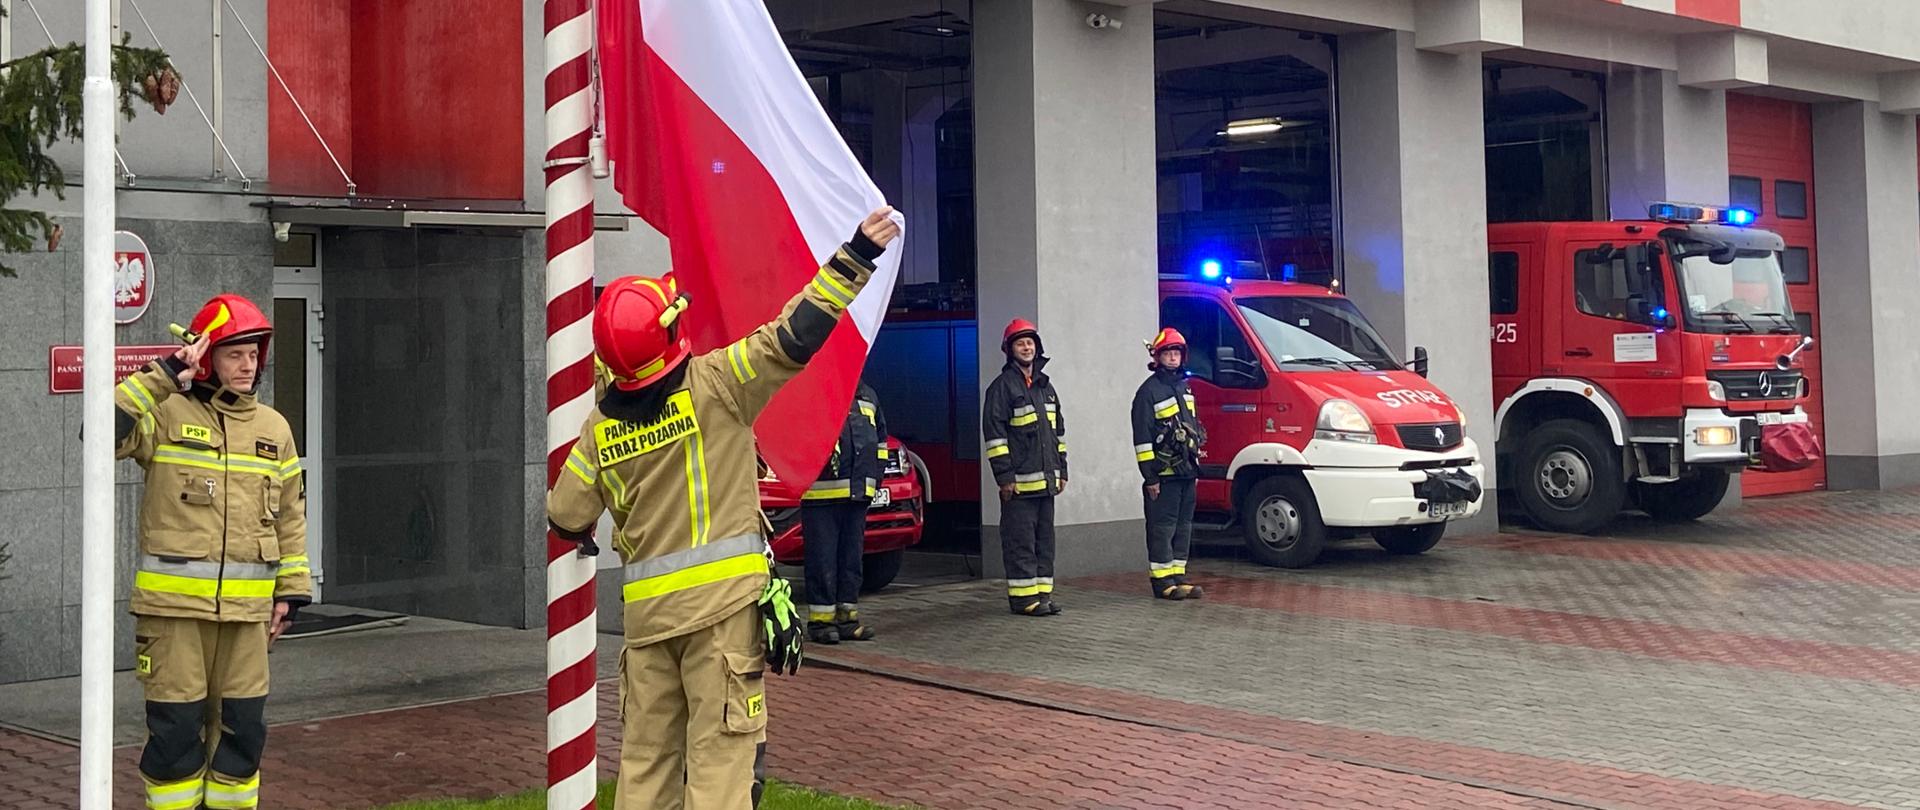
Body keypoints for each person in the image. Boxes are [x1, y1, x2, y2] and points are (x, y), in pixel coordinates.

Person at [548, 207, 901, 809]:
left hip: (648, 630)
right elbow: (795, 334)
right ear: (668, 337)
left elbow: (564, 515)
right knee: (720, 770)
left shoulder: (597, 429)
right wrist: (856, 256)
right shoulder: (717, 384)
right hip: (723, 623)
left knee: (646, 770)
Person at [112, 294, 310, 810]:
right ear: (206, 358)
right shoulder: (166, 413)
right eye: (233, 354)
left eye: (253, 355)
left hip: (248, 618)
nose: (247, 366)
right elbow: (100, 432)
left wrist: (289, 594)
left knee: (242, 735)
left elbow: (291, 517)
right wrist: (164, 374)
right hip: (174, 616)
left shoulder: (274, 429)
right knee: (176, 736)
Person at [982, 319, 1069, 616]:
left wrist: (1062, 472)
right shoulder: (1001, 388)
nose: (1027, 347)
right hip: (1018, 486)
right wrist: (1005, 478)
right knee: (1021, 543)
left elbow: (1058, 434)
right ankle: (1023, 599)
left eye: (1030, 342)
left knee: (1045, 543)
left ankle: (1042, 595)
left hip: (1046, 484)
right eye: (1020, 343)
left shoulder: (1046, 387)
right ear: (1010, 350)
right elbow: (995, 437)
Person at [798, 379, 889, 643]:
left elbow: (880, 441)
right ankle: (820, 623)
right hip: (822, 495)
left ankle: (848, 619)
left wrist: (876, 477)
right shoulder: (813, 392)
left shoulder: (868, 394)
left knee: (851, 560)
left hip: (857, 493)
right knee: (822, 560)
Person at [1131, 327, 1207, 600]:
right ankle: (1162, 582)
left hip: (1186, 470)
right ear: (1158, 357)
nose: (1173, 358)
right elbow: (1142, 439)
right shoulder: (1148, 392)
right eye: (1168, 353)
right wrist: (1150, 477)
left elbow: (1192, 429)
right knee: (1162, 527)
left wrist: (1195, 462)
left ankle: (1178, 576)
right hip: (1163, 474)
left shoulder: (1184, 388)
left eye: (1176, 353)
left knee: (1183, 526)